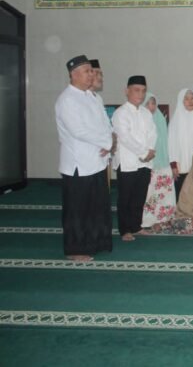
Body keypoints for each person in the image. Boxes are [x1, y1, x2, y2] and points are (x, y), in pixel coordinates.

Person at [55, 55, 114, 261]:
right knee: (78, 209)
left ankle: (97, 242)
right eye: (88, 71)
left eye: (92, 71)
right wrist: (106, 143)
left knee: (97, 206)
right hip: (78, 164)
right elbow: (79, 131)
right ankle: (76, 249)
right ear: (74, 74)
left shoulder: (93, 97)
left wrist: (109, 140)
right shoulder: (67, 100)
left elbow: (105, 124)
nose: (92, 75)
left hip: (97, 161)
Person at [111, 75, 157, 241]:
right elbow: (125, 137)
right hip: (128, 162)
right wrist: (144, 153)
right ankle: (125, 230)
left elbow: (153, 133)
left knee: (139, 195)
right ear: (127, 91)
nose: (140, 94)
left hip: (145, 162)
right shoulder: (120, 113)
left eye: (143, 91)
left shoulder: (146, 113)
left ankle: (136, 226)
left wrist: (150, 150)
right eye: (137, 90)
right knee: (126, 197)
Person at [141, 93, 177, 229]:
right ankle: (150, 220)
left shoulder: (160, 119)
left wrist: (171, 162)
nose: (151, 106)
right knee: (151, 194)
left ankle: (165, 218)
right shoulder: (141, 120)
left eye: (153, 103)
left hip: (164, 162)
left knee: (166, 192)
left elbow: (166, 142)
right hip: (149, 163)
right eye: (148, 103)